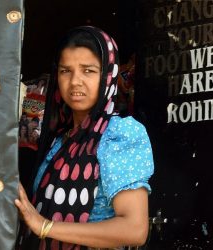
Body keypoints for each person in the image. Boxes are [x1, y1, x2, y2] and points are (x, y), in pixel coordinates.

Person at [15, 26, 154, 250]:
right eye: (65, 71)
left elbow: (134, 229)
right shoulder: (59, 139)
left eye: (88, 70)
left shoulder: (119, 134)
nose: (75, 81)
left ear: (108, 75)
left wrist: (45, 226)